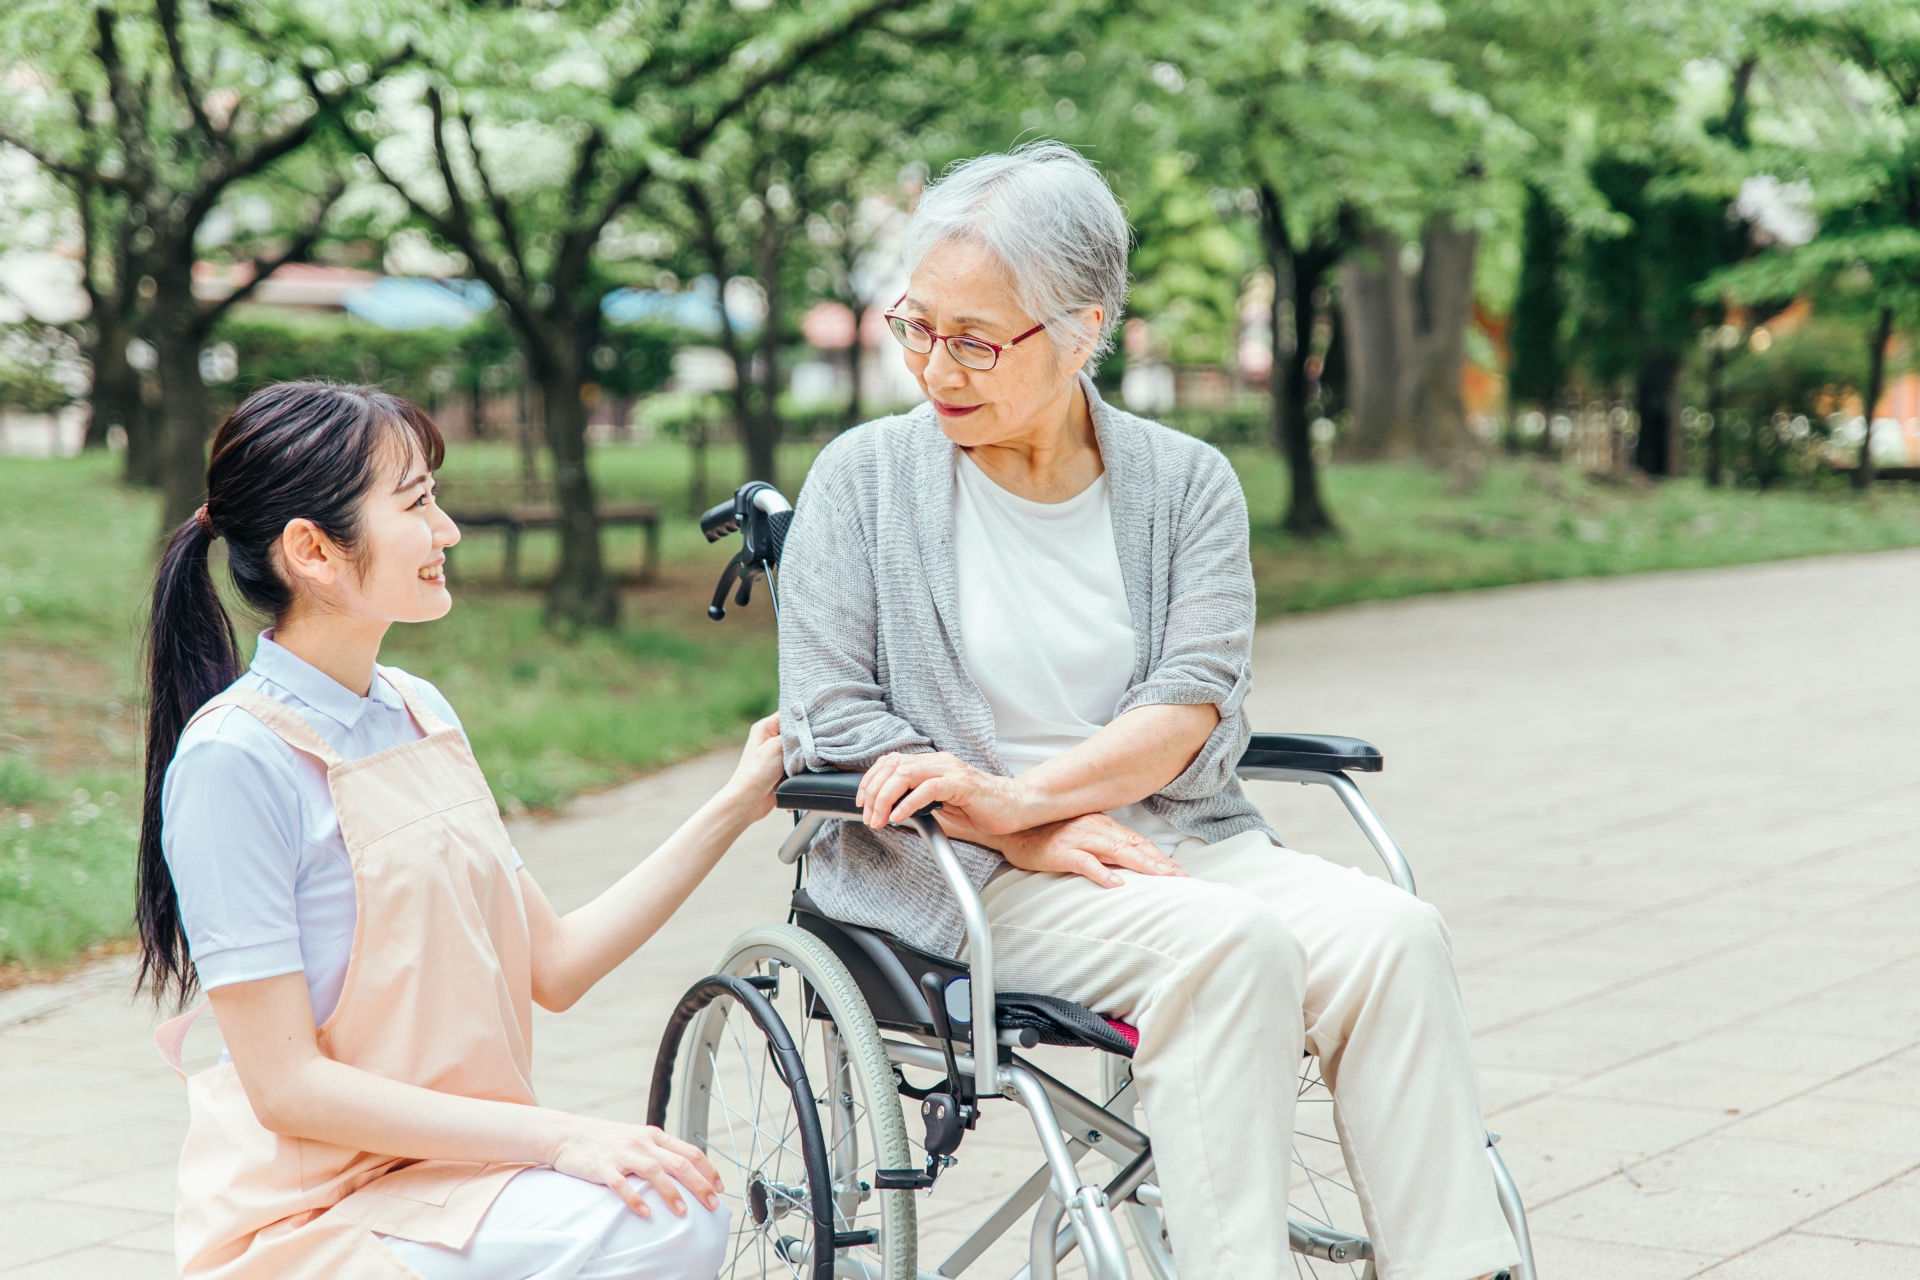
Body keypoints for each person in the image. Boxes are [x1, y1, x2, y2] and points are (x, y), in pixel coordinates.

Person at [777, 143, 1519, 1280]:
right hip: (956, 873)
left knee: (1394, 935)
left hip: (1172, 841)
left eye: (977, 339)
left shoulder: (1184, 484)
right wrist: (1022, 830)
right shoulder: (862, 480)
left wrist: (1029, 794)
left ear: (1084, 329)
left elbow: (1188, 703)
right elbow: (835, 715)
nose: (938, 366)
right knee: (1229, 945)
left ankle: (1460, 1266)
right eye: (917, 327)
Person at [140, 382, 778, 1279]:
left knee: (675, 1207)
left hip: (452, 1185)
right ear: (313, 551)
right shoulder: (232, 761)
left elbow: (551, 965)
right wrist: (561, 1138)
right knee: (667, 1222)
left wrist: (734, 803)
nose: (448, 531)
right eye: (416, 504)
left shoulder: (419, 712)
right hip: (315, 1218)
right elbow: (285, 1087)